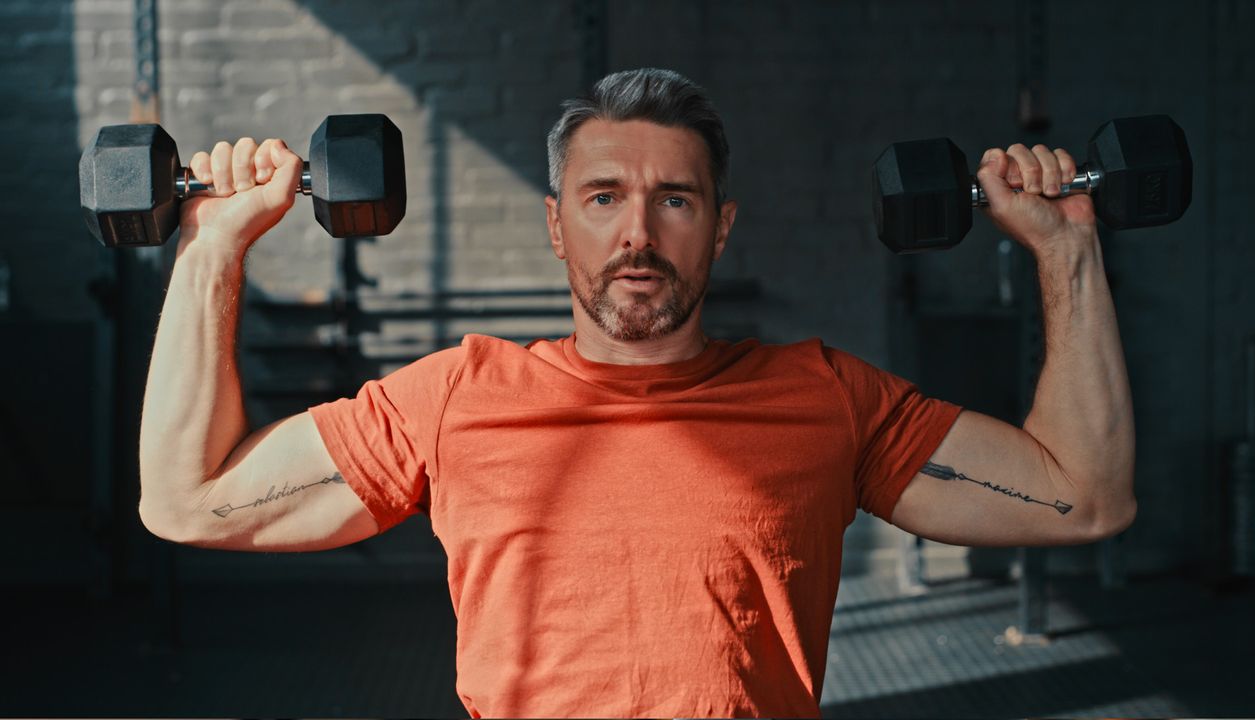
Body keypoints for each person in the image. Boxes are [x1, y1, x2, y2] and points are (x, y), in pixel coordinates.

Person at [137, 68, 1136, 717]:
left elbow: (1082, 494)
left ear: (721, 225)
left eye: (675, 199)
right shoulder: (451, 401)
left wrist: (1067, 247)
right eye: (603, 198)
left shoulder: (826, 399)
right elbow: (186, 501)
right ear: (554, 224)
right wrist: (212, 246)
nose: (637, 237)